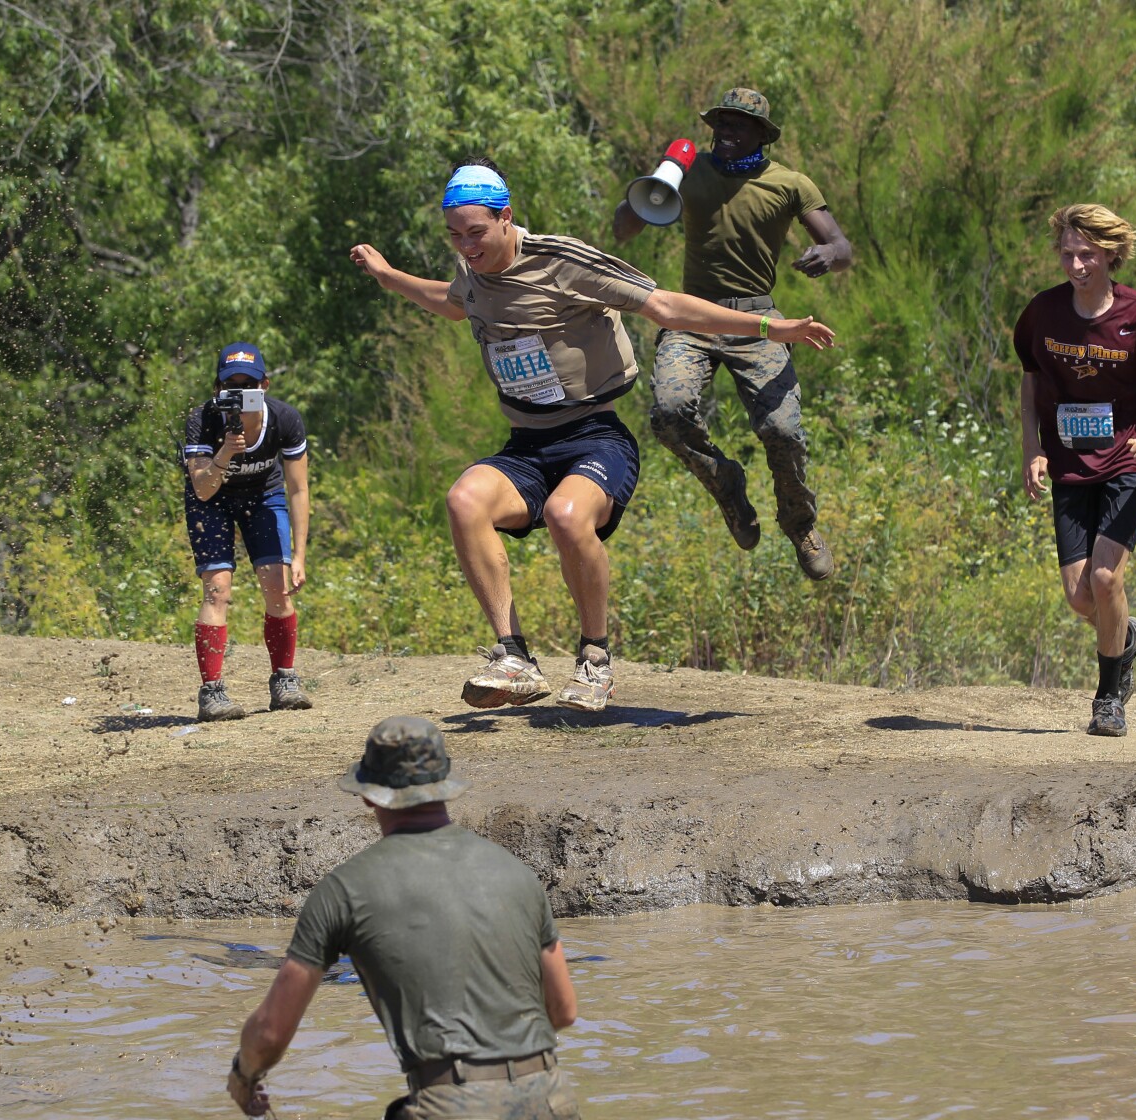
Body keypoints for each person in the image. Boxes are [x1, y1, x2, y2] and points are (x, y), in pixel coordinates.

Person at [349, 159, 834, 712]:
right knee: (463, 500)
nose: (466, 245)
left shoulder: (563, 260)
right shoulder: (472, 270)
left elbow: (665, 305)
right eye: (455, 235)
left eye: (476, 232)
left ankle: (594, 661)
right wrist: (389, 276)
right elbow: (455, 303)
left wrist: (773, 327)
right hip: (526, 444)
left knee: (566, 515)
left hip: (594, 437)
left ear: (506, 218)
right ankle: (514, 658)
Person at [226, 716, 583, 1119]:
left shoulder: (344, 890)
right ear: (445, 787)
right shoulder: (516, 873)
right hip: (552, 1099)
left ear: (367, 795)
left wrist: (244, 1077)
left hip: (451, 1105)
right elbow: (564, 1010)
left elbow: (271, 1033)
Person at [613, 88, 853, 580]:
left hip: (757, 321)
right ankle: (726, 484)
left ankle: (799, 523)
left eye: (738, 125)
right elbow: (623, 230)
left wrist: (828, 256)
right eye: (720, 123)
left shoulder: (789, 183)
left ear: (761, 135)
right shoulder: (688, 173)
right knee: (670, 414)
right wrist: (649, 192)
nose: (725, 132)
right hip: (693, 318)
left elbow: (841, 245)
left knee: (782, 431)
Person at [1014, 204, 1136, 737]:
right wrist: (1032, 448)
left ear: (1112, 255)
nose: (1076, 265)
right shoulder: (1043, 313)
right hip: (1068, 463)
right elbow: (1029, 381)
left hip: (1127, 459)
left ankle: (1108, 696)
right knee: (1080, 598)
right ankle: (1124, 636)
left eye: (1087, 254)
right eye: (1068, 254)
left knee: (1105, 576)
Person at [181, 342, 312, 721]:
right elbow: (203, 488)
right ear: (217, 390)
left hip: (263, 496)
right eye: (230, 387)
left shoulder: (285, 419)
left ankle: (285, 679)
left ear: (265, 386)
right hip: (212, 500)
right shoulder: (202, 419)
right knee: (217, 588)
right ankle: (212, 692)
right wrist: (225, 452)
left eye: (248, 387)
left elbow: (298, 489)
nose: (240, 396)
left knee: (277, 583)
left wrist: (299, 555)